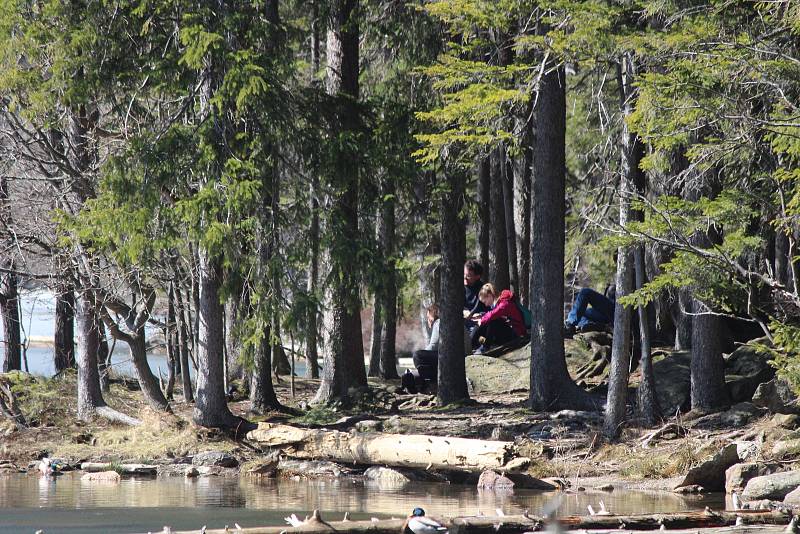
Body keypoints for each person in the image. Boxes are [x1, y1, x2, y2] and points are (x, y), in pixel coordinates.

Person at [470, 283, 526, 354]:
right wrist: (481, 316)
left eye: (485, 301)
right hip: (508, 334)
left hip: (515, 336)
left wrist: (482, 319)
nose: (486, 304)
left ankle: (485, 347)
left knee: (492, 320)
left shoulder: (504, 303)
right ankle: (471, 344)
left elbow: (493, 314)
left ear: (490, 296)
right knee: (486, 319)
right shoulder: (498, 303)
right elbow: (493, 314)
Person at [411, 304, 440, 382]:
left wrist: (424, 352)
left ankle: (431, 378)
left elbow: (433, 346)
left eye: (428, 317)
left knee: (418, 355)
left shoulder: (438, 323)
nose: (428, 320)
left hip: (450, 357)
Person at [463, 260, 489, 330]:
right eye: (464, 274)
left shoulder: (484, 290)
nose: (465, 277)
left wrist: (481, 315)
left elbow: (489, 310)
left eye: (468, 276)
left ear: (477, 277)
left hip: (477, 324)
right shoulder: (458, 288)